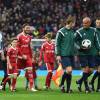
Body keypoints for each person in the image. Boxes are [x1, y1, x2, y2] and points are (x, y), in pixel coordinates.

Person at [75, 17, 98, 93]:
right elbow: (74, 41)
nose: (84, 24)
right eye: (83, 23)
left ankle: (79, 81)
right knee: (85, 69)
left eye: (85, 23)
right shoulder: (79, 32)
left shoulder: (94, 31)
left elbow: (96, 41)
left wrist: (99, 49)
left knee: (91, 71)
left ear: (89, 23)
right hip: (82, 53)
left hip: (91, 53)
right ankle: (87, 88)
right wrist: (80, 48)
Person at [55, 15, 75, 93]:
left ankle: (68, 88)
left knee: (69, 71)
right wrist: (58, 54)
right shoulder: (61, 31)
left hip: (71, 54)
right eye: (74, 23)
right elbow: (57, 43)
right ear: (70, 23)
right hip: (64, 54)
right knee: (69, 70)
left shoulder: (73, 31)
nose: (74, 24)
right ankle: (62, 84)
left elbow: (74, 43)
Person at [17, 23, 37, 92]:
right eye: (27, 28)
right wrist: (22, 55)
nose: (28, 29)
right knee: (17, 73)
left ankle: (31, 87)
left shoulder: (29, 37)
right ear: (23, 28)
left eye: (29, 28)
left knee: (30, 71)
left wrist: (32, 57)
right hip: (20, 57)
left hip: (28, 56)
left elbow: (30, 48)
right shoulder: (19, 36)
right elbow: (17, 47)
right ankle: (9, 85)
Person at [89, 17, 100, 92]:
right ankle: (91, 82)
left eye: (99, 23)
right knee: (91, 70)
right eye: (97, 22)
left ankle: (97, 87)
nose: (98, 24)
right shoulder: (93, 31)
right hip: (95, 53)